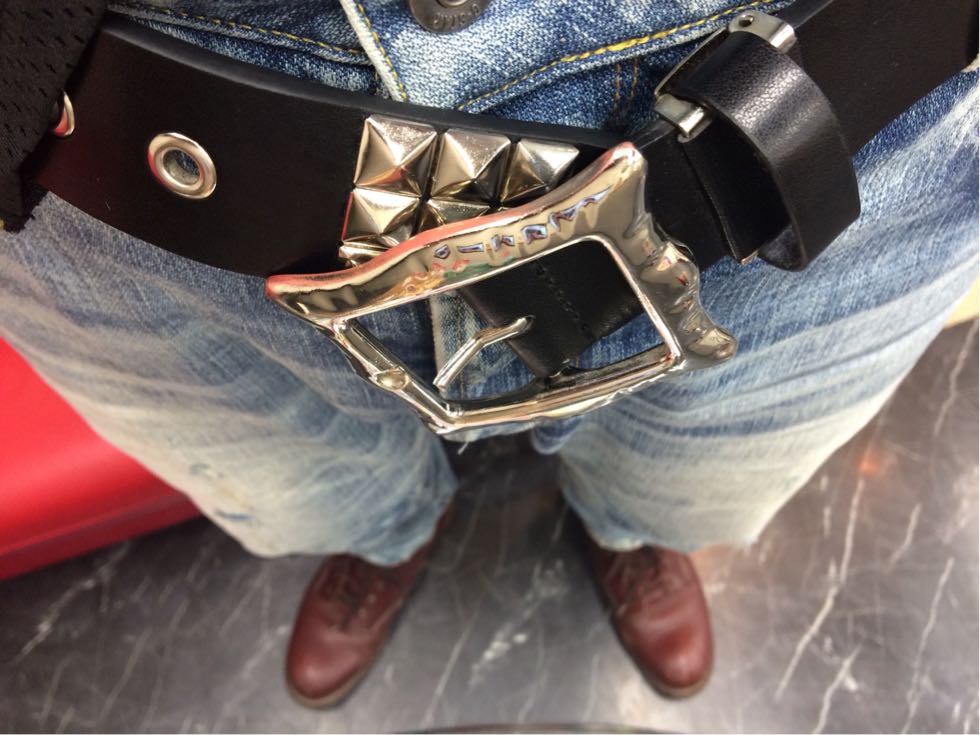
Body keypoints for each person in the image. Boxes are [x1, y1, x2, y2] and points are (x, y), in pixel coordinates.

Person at [0, 0, 976, 708]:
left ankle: (628, 530)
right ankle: (389, 537)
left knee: (693, 477)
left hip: (817, 118)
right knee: (307, 488)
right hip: (123, 155)